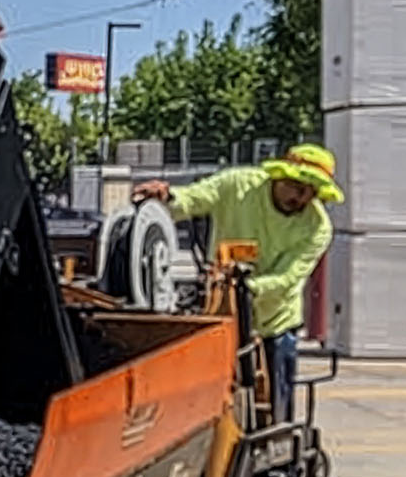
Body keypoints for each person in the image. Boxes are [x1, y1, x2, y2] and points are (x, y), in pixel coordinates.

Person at [132, 143, 341, 416]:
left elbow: (287, 278)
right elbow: (194, 198)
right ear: (279, 175)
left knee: (273, 413)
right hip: (222, 318)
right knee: (209, 409)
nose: (301, 199)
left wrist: (241, 289)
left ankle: (277, 444)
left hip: (273, 324)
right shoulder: (238, 185)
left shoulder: (317, 226)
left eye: (311, 193)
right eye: (297, 187)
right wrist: (166, 197)